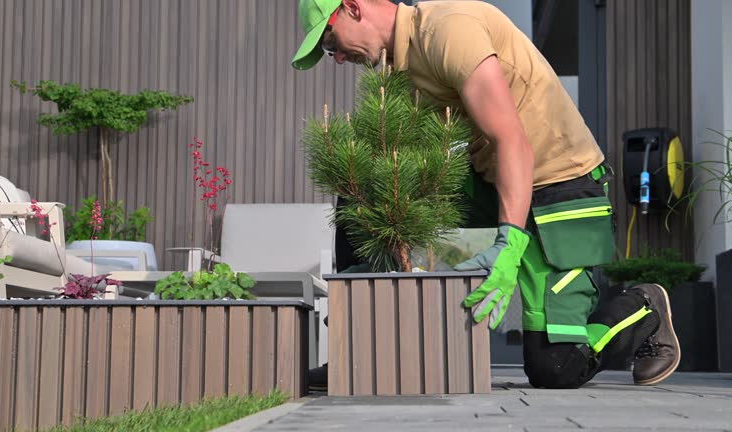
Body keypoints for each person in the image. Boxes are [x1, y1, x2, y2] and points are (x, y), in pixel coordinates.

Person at [291, 0, 680, 390]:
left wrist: (508, 244)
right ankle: (355, 348)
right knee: (365, 190)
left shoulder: (448, 30)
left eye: (330, 41)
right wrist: (371, 272)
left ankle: (644, 306)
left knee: (557, 368)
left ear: (353, 9)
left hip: (560, 188)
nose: (337, 57)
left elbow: (512, 139)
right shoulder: (400, 71)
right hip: (493, 181)